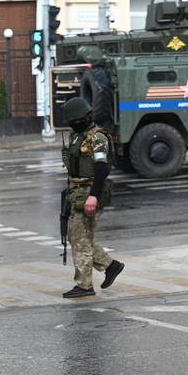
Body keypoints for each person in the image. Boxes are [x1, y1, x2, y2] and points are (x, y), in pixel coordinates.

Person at [61, 97, 125, 299]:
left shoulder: (98, 137)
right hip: (75, 192)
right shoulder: (77, 136)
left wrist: (93, 197)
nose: (72, 123)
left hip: (89, 192)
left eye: (74, 119)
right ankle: (110, 265)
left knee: (81, 239)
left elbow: (102, 168)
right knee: (76, 237)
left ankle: (84, 285)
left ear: (83, 117)